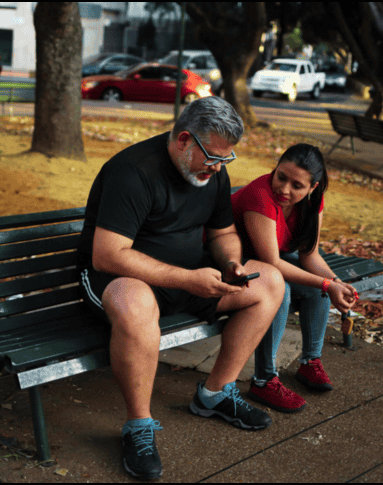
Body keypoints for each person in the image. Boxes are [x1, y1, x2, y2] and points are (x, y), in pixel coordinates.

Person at [77, 96, 285, 480]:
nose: (220, 167)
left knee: (270, 281)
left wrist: (230, 264)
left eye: (227, 159)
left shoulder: (212, 172)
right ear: (184, 139)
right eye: (213, 157)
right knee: (135, 304)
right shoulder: (132, 171)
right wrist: (188, 279)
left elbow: (223, 232)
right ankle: (138, 426)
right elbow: (107, 255)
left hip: (189, 276)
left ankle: (216, 393)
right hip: (121, 279)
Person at [231, 144, 358, 414]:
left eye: (296, 185)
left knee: (317, 286)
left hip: (265, 261)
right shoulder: (260, 196)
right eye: (281, 177)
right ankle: (264, 379)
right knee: (281, 290)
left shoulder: (313, 202)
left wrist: (336, 283)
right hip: (231, 260)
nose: (285, 189)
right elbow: (273, 263)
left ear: (313, 188)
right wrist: (327, 284)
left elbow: (309, 255)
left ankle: (309, 361)